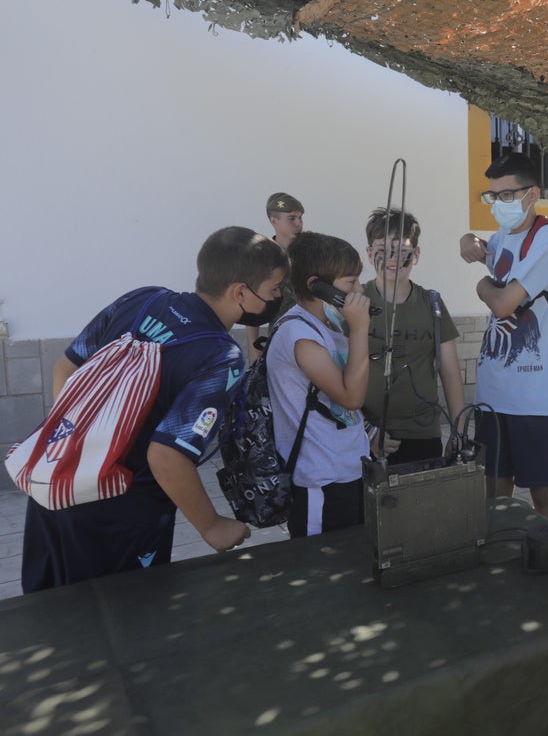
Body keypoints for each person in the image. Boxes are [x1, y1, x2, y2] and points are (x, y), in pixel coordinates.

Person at [21, 226, 288, 592]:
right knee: (119, 628)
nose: (277, 298)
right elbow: (166, 456)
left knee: (45, 614)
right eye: (274, 290)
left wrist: (79, 452)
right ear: (240, 292)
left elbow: (65, 369)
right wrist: (211, 525)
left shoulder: (143, 298)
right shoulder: (220, 357)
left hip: (55, 487)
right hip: (120, 516)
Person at [459, 152, 548, 522]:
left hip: (534, 392)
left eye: (508, 195)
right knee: (493, 485)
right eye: (494, 196)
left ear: (532, 193)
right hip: (494, 387)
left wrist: (481, 284)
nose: (500, 204)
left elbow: (504, 303)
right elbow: (486, 252)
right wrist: (468, 238)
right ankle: (499, 549)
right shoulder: (503, 234)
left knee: (542, 490)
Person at [266, 231, 372, 538]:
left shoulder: (330, 326)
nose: (360, 290)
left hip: (348, 468)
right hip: (320, 478)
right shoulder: (299, 334)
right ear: (318, 286)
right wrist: (360, 328)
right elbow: (351, 396)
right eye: (351, 283)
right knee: (323, 567)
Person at [362, 207, 465, 464]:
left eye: (402, 250)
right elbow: (336, 373)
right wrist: (366, 430)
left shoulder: (433, 304)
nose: (392, 258)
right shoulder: (354, 302)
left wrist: (460, 433)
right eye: (382, 250)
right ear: (368, 253)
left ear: (416, 255)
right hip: (363, 435)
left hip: (422, 433)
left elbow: (450, 373)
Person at [246, 192, 305, 359]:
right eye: (292, 218)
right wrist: (253, 346)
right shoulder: (263, 257)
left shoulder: (311, 253)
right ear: (274, 221)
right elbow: (252, 304)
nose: (299, 223)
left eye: (300, 218)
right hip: (280, 334)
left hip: (312, 331)